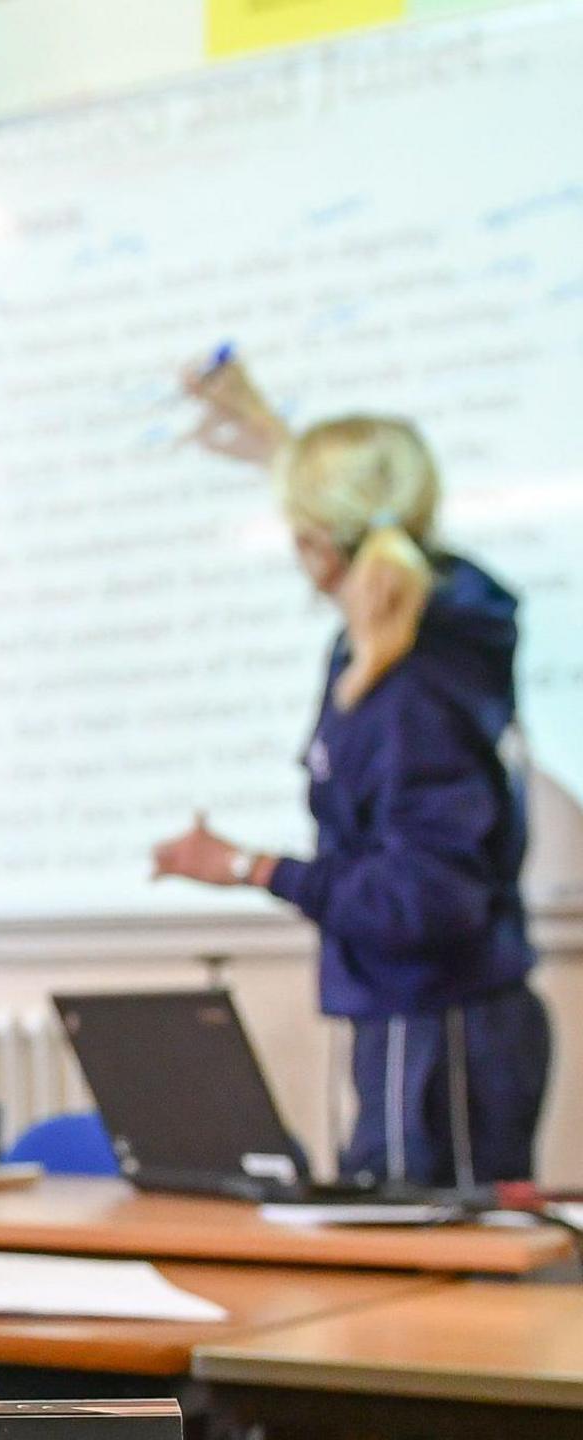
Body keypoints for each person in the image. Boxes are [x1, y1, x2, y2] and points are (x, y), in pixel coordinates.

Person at [155, 362, 549, 1186]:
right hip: (429, 1020)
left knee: (428, 1286)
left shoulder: (410, 687)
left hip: (438, 1031)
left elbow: (425, 900)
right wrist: (268, 436)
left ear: (318, 545)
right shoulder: (429, 637)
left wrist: (249, 867)